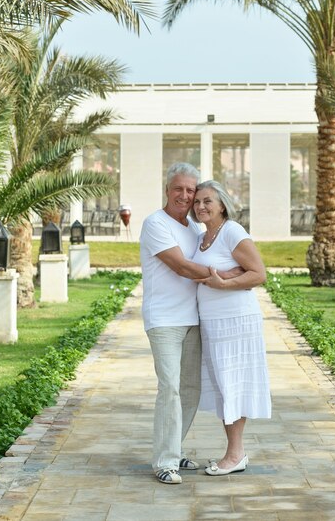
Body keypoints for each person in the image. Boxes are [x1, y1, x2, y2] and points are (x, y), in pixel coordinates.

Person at [140, 163, 243, 485]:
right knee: (169, 388)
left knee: (189, 390)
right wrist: (228, 275)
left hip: (194, 318)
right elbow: (182, 268)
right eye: (178, 189)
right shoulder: (155, 223)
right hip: (164, 320)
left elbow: (221, 256)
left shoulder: (195, 229)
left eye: (191, 191)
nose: (185, 196)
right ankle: (165, 462)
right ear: (167, 190)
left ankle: (172, 449)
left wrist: (237, 271)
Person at [191, 180, 271, 476]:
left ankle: (235, 454)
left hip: (236, 321)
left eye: (207, 201)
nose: (200, 206)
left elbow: (258, 274)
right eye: (197, 201)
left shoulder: (232, 231)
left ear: (222, 204)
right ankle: (234, 452)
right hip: (212, 322)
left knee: (232, 385)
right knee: (224, 386)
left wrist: (224, 283)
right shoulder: (202, 237)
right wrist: (222, 275)